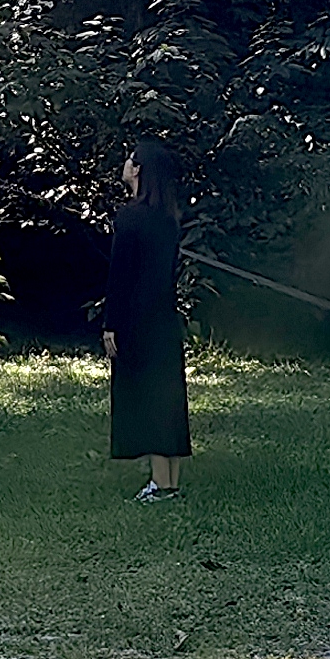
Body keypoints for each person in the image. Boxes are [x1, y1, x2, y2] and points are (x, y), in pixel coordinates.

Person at [103, 140, 193, 500]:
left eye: (129, 160)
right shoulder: (168, 218)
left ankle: (159, 485)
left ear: (137, 170)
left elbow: (120, 276)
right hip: (165, 318)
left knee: (148, 398)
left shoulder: (130, 217)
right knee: (168, 395)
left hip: (136, 320)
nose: (124, 164)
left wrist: (111, 323)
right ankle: (169, 481)